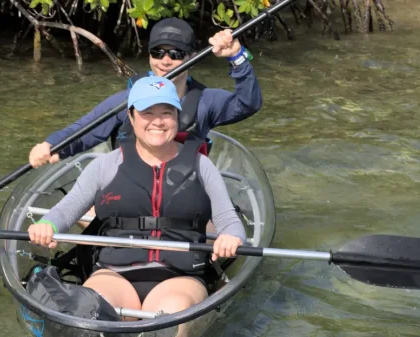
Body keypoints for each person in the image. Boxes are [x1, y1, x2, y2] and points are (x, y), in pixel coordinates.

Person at [26, 76, 246, 336]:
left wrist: (231, 237)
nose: (158, 121)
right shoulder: (105, 165)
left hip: (179, 277)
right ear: (131, 118)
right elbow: (66, 209)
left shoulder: (201, 165)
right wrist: (47, 225)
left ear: (177, 116)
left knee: (169, 320)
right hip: (114, 274)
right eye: (147, 112)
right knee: (86, 321)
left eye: (167, 112)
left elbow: (230, 222)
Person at [28, 17, 262, 168]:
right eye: (157, 52)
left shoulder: (206, 101)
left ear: (191, 57)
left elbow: (248, 103)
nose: (165, 61)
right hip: (131, 189)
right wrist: (51, 145)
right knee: (83, 209)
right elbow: (83, 130)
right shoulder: (125, 101)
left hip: (185, 191)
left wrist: (236, 56)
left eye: (177, 53)